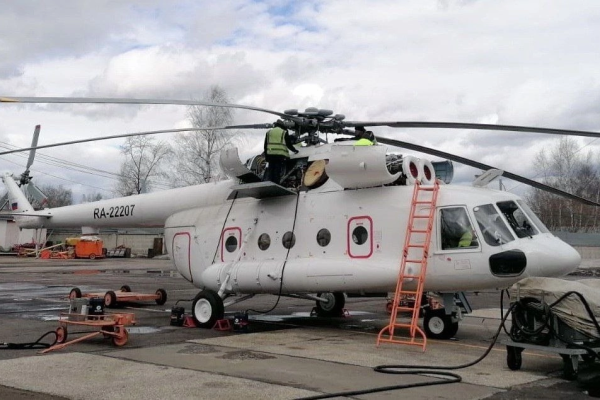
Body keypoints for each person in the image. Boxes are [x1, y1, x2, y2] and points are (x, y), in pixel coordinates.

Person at [264, 120, 299, 184]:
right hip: (279, 155)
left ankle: (269, 184)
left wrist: (266, 157)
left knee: (271, 170)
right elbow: (288, 144)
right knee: (277, 171)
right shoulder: (283, 132)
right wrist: (295, 150)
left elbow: (265, 145)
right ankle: (276, 185)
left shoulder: (269, 132)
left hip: (270, 155)